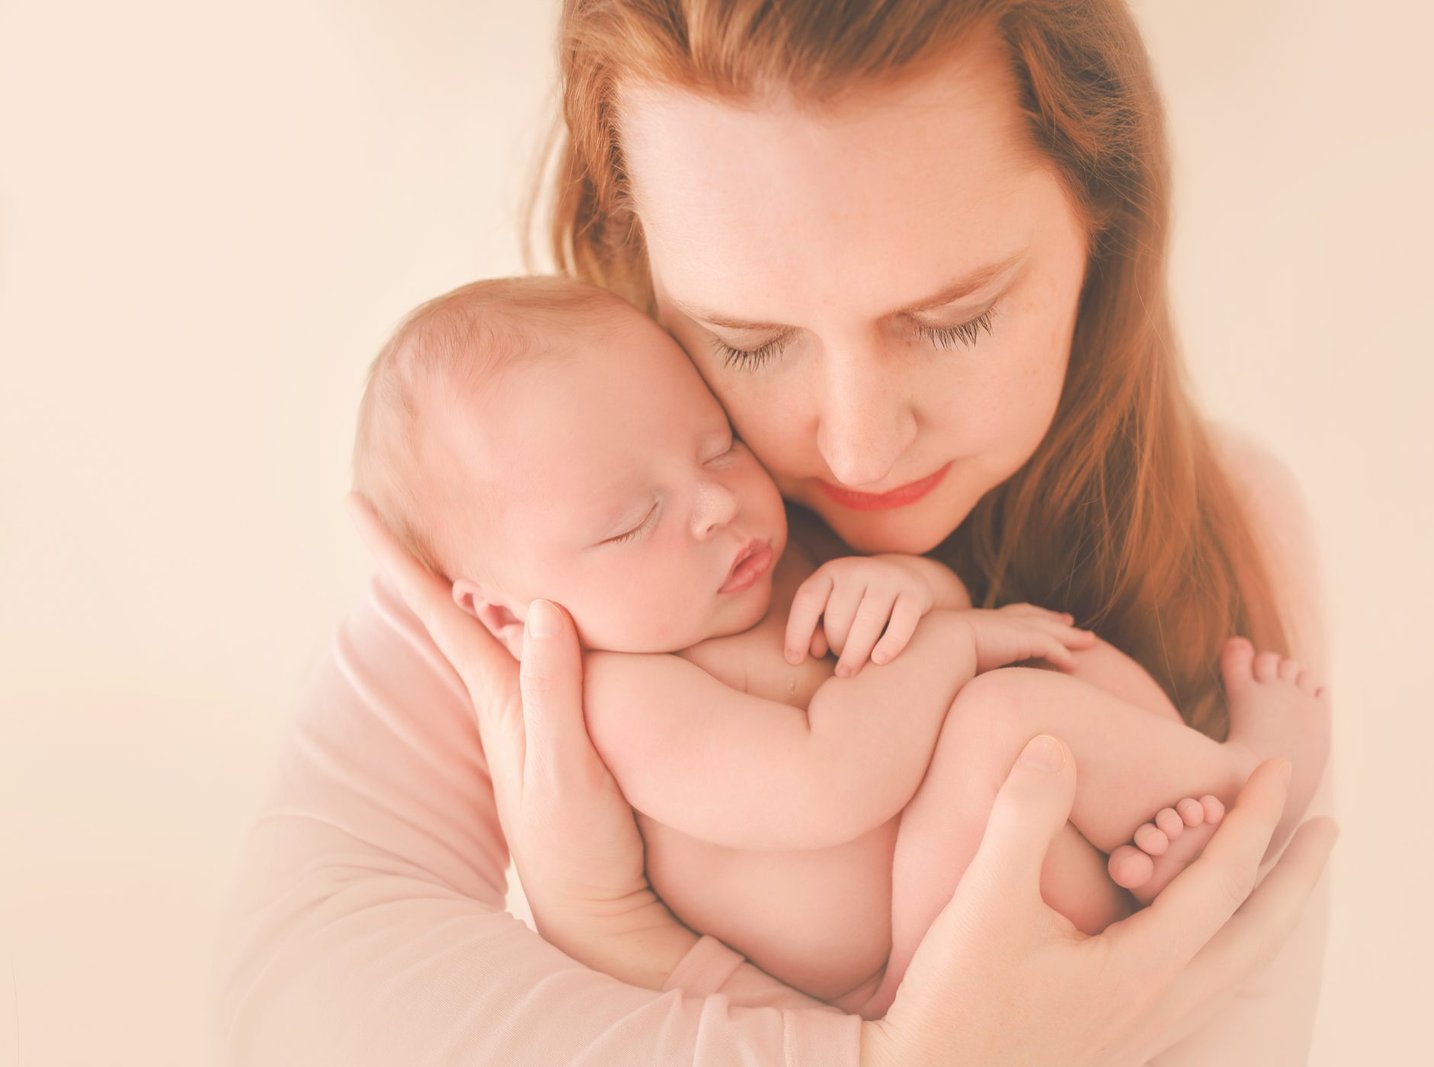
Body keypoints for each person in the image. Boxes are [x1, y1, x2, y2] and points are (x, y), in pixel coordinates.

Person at [212, 1, 1338, 1063]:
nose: (857, 449)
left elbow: (1242, 1015)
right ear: (641, 251)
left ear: (1107, 217)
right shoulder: (537, 543)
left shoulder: (1225, 523)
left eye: (954, 321)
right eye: (747, 342)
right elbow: (290, 1014)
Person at [346, 274, 1329, 1019]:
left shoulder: (763, 560)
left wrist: (915, 587)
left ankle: (1178, 827)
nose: (713, 507)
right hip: (927, 971)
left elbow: (913, 635)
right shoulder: (621, 699)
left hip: (1012, 860)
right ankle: (1246, 785)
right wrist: (951, 640)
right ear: (508, 614)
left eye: (715, 444)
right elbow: (827, 780)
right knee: (1001, 707)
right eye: (628, 520)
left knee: (1050, 663)